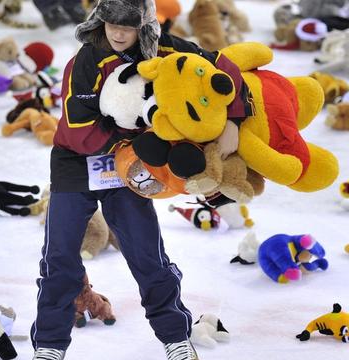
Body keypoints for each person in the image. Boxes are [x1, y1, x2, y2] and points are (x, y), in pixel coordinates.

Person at [30, 1, 253, 359]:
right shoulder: (86, 61)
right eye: (111, 23)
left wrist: (233, 120)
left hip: (130, 168)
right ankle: (50, 346)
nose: (118, 33)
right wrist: (143, 134)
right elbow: (77, 132)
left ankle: (175, 337)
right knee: (60, 258)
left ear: (146, 24)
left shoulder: (169, 49)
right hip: (77, 164)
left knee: (147, 256)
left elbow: (224, 68)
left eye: (128, 26)